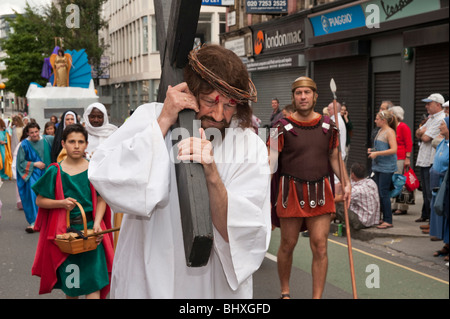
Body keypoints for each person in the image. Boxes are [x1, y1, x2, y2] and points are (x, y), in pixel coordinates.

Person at [88, 44, 271, 298]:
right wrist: (163, 122)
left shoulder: (250, 146)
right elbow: (106, 178)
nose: (219, 114)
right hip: (148, 275)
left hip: (212, 287)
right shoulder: (150, 117)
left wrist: (212, 174)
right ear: (190, 90)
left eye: (229, 105)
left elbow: (241, 233)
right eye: (210, 101)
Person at [268, 76, 351, 299]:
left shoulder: (329, 125)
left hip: (321, 192)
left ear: (315, 96)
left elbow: (334, 156)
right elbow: (270, 163)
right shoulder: (279, 127)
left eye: (307, 92)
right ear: (293, 97)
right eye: (298, 93)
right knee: (287, 244)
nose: (303, 97)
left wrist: (346, 182)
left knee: (320, 246)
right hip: (289, 193)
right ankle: (285, 291)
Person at [31, 124, 114, 299]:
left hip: (92, 232)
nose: (76, 145)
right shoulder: (55, 170)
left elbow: (101, 199)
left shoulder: (94, 169)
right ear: (63, 143)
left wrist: (98, 223)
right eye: (71, 141)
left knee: (94, 285)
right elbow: (40, 200)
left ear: (86, 144)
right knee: (72, 288)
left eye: (80, 142)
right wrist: (60, 203)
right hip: (66, 236)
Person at [16, 123, 54, 233]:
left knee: (49, 196)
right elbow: (21, 162)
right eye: (32, 132)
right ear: (27, 133)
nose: (34, 134)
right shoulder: (24, 144)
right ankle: (35, 222)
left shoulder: (47, 140)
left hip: (47, 173)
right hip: (32, 174)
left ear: (39, 131)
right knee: (33, 197)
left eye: (36, 131)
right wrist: (34, 164)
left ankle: (48, 221)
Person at [415, 94, 446, 223]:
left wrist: (422, 132)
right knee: (425, 190)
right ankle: (427, 215)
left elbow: (425, 138)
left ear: (438, 105)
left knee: (430, 192)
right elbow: (418, 133)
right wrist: (421, 132)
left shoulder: (441, 119)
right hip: (424, 159)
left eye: (429, 103)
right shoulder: (431, 118)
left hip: (431, 160)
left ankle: (432, 220)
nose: (426, 106)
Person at [369, 110, 398, 229]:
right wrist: (373, 151)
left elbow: (394, 149)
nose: (375, 121)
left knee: (384, 192)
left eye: (377, 119)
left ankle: (388, 220)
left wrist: (377, 153)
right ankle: (382, 217)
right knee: (379, 192)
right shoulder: (380, 130)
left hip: (386, 167)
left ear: (383, 120)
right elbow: (381, 147)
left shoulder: (390, 132)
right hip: (378, 165)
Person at [335, 162, 380, 229]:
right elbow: (353, 183)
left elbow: (334, 199)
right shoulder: (371, 182)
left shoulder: (356, 190)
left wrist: (337, 188)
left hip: (361, 222)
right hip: (372, 220)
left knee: (335, 206)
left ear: (352, 174)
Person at [429, 117, 449, 259]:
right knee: (440, 214)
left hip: (446, 184)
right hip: (438, 184)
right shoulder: (443, 142)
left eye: (442, 124)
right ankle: (447, 244)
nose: (440, 127)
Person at [389, 106, 413, 215]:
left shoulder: (403, 127)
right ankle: (394, 205)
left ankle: (402, 206)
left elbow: (409, 143)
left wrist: (407, 158)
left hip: (401, 157)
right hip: (393, 157)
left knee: (400, 181)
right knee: (394, 181)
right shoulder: (392, 127)